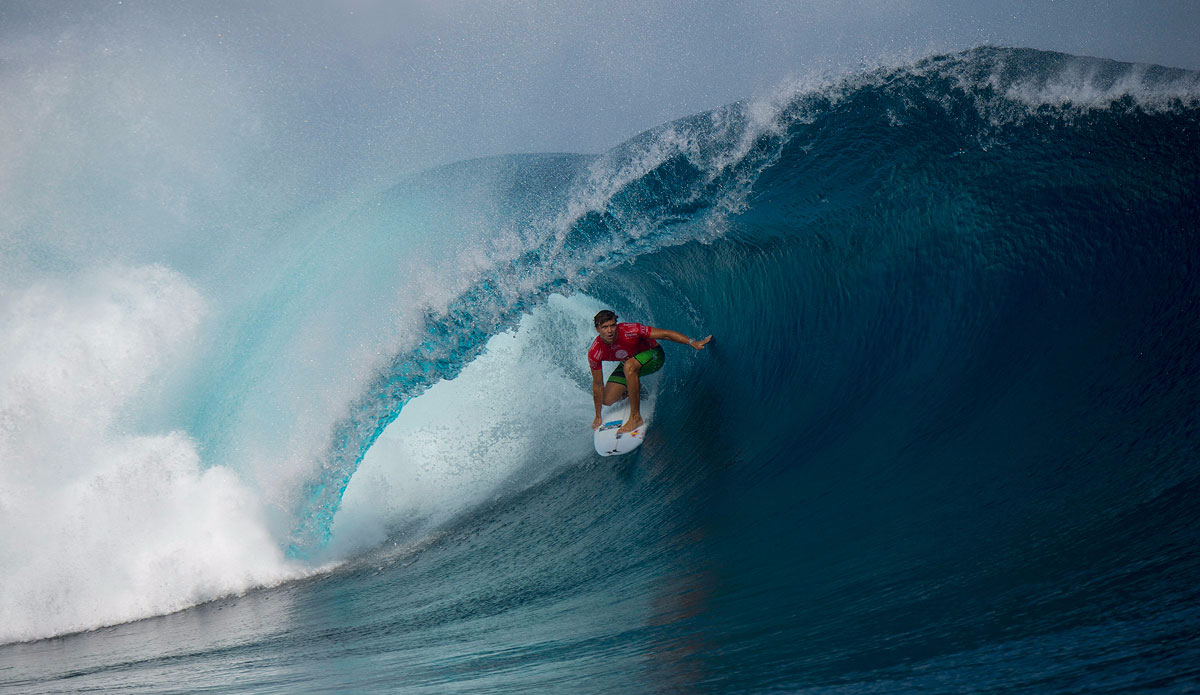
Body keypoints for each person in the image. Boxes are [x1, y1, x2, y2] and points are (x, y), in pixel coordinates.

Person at [588, 309, 712, 434]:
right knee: (606, 400)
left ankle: (635, 418)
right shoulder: (595, 352)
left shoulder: (630, 330)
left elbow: (665, 334)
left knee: (629, 366)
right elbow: (598, 384)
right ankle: (632, 389)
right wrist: (598, 416)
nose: (610, 330)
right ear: (597, 329)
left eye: (613, 325)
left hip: (654, 356)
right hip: (629, 362)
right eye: (605, 327)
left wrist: (692, 342)